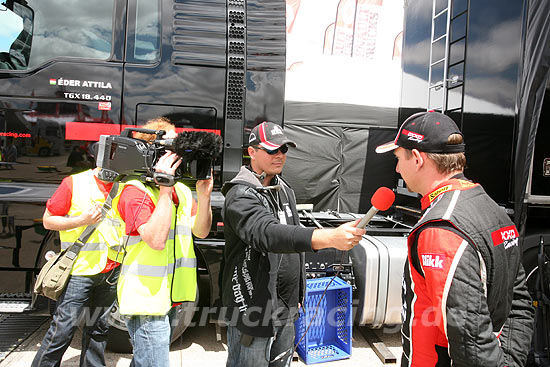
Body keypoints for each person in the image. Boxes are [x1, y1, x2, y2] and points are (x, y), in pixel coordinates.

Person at [375, 111, 535, 367]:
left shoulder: (441, 228)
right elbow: (519, 303)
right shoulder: (492, 208)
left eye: (398, 158)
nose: (396, 168)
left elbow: (469, 340)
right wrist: (511, 361)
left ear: (417, 158)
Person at [221, 121, 366, 367]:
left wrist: (298, 294)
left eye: (284, 150)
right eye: (271, 150)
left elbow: (294, 245)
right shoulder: (240, 194)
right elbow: (266, 234)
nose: (279, 155)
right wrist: (329, 237)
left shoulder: (284, 189)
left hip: (286, 308)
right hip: (252, 309)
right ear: (252, 151)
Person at [115, 118, 213, 367]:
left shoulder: (180, 190)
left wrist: (204, 195)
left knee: (145, 362)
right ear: (153, 152)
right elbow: (156, 240)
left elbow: (201, 231)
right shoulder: (135, 190)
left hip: (170, 298)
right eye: (171, 146)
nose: (177, 152)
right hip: (145, 301)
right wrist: (166, 189)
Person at [32, 167, 124, 367]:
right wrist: (81, 221)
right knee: (64, 328)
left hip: (110, 270)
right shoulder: (75, 182)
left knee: (99, 327)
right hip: (79, 271)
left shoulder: (124, 184)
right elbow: (48, 221)